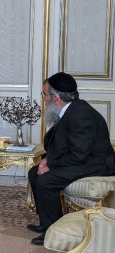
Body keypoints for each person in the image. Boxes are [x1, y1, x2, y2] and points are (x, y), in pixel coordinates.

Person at [28, 72, 115, 245]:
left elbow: (78, 154)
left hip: (96, 163)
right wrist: (46, 160)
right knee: (34, 172)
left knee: (46, 181)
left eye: (44, 94)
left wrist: (51, 166)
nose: (43, 99)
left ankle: (54, 230)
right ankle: (46, 224)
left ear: (56, 98)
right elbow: (64, 146)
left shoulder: (80, 114)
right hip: (82, 159)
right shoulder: (69, 110)